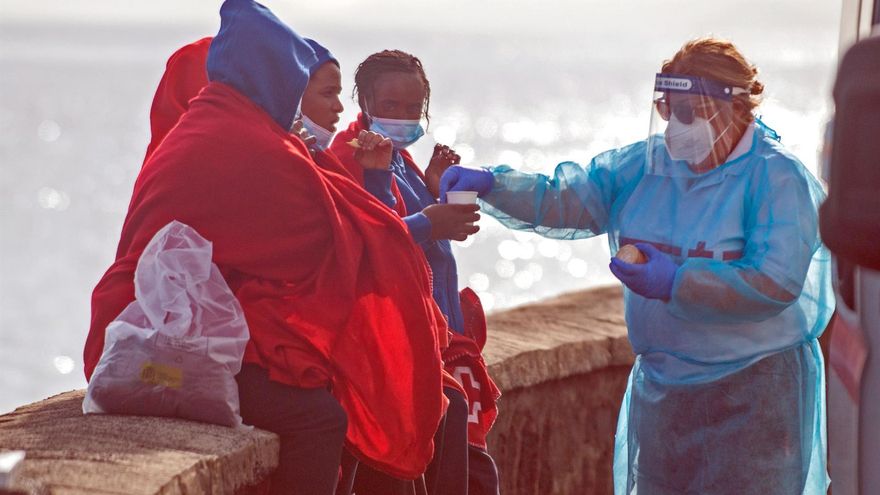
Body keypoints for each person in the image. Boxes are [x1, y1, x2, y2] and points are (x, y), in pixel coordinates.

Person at [441, 37, 834, 495]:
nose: (674, 125)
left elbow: (775, 281)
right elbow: (567, 198)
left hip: (755, 396)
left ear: (732, 107)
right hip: (666, 396)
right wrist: (493, 184)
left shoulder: (776, 178)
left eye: (688, 110)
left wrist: (676, 280)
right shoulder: (649, 166)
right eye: (668, 109)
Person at [84, 1, 449, 493]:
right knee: (321, 415)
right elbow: (325, 237)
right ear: (272, 75)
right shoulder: (250, 140)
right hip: (171, 346)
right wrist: (420, 226)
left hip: (151, 323)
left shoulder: (207, 121)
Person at [330, 51, 502, 495]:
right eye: (391, 106)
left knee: (464, 471)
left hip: (436, 339)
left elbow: (400, 222)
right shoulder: (351, 158)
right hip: (397, 343)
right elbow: (368, 245)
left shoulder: (397, 158)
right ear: (363, 100)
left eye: (413, 108)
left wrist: (430, 185)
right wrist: (432, 222)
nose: (403, 117)